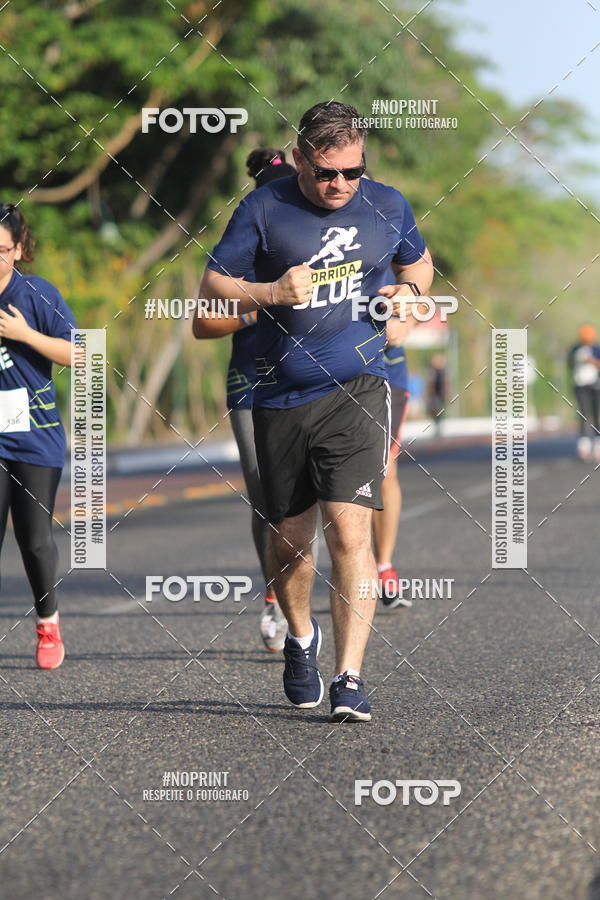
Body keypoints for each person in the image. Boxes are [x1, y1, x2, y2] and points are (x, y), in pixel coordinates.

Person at [199, 101, 433, 722]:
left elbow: (420, 262)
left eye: (353, 172)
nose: (340, 186)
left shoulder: (388, 203)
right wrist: (271, 292)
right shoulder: (264, 208)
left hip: (360, 385)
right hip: (279, 394)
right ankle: (301, 637)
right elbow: (213, 289)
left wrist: (408, 292)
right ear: (300, 158)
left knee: (349, 529)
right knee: (292, 540)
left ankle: (349, 678)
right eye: (327, 173)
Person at [193, 149, 297, 652]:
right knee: (264, 497)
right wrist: (257, 308)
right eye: (267, 191)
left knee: (310, 497)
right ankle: (275, 600)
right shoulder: (239, 248)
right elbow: (201, 323)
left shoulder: (312, 240)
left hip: (310, 381)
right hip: (251, 383)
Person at [0, 203, 76, 669]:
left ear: (20, 249)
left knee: (33, 539)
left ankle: (48, 622)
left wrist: (25, 334)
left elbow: (82, 354)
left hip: (34, 436)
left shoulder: (36, 295)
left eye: (2, 250)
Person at [372, 318, 413, 609]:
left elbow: (419, 294)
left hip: (388, 375)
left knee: (383, 468)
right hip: (332, 374)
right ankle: (350, 561)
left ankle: (383, 566)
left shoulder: (391, 269)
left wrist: (407, 321)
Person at [567, 324, 600, 461]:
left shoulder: (596, 349)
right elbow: (569, 365)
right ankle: (583, 446)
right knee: (582, 414)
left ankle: (597, 446)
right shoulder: (575, 349)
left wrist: (592, 361)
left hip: (595, 385)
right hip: (580, 386)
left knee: (597, 415)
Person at [427, 353, 446, 436]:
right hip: (434, 395)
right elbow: (429, 384)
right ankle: (436, 424)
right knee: (434, 410)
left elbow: (446, 384)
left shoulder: (443, 372)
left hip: (440, 395)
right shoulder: (432, 371)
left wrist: (446, 394)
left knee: (439, 410)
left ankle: (438, 425)